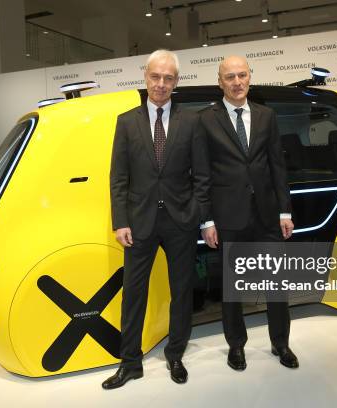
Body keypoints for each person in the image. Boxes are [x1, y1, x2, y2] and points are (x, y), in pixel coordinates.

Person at [103, 49, 210, 389]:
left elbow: (202, 176)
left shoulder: (191, 121)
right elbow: (118, 177)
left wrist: (197, 214)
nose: (161, 84)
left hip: (181, 221)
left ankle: (175, 354)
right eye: (156, 76)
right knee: (134, 294)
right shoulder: (126, 121)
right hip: (138, 224)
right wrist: (120, 221)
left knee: (182, 292)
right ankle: (130, 362)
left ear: (175, 82)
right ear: (145, 75)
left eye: (168, 78)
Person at [200, 56, 299, 370]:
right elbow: (201, 173)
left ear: (249, 78)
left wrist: (285, 211)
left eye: (242, 75)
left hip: (267, 214)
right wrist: (208, 220)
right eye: (230, 76)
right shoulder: (205, 119)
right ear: (220, 82)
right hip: (228, 216)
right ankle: (236, 347)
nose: (237, 81)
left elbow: (276, 166)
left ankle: (280, 344)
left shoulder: (266, 115)